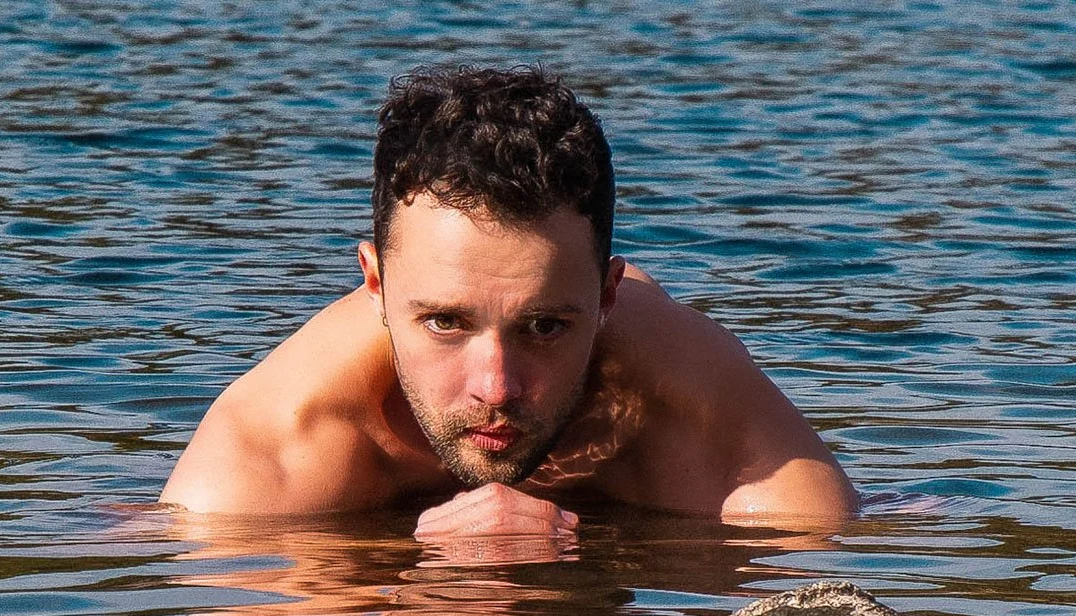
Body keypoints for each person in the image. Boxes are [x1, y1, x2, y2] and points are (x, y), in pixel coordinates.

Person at [160, 65, 858, 539]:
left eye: (545, 326)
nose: (496, 386)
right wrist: (419, 562)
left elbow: (824, 563)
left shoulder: (696, 416)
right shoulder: (272, 454)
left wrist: (577, 551)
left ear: (609, 296)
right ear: (375, 286)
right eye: (444, 322)